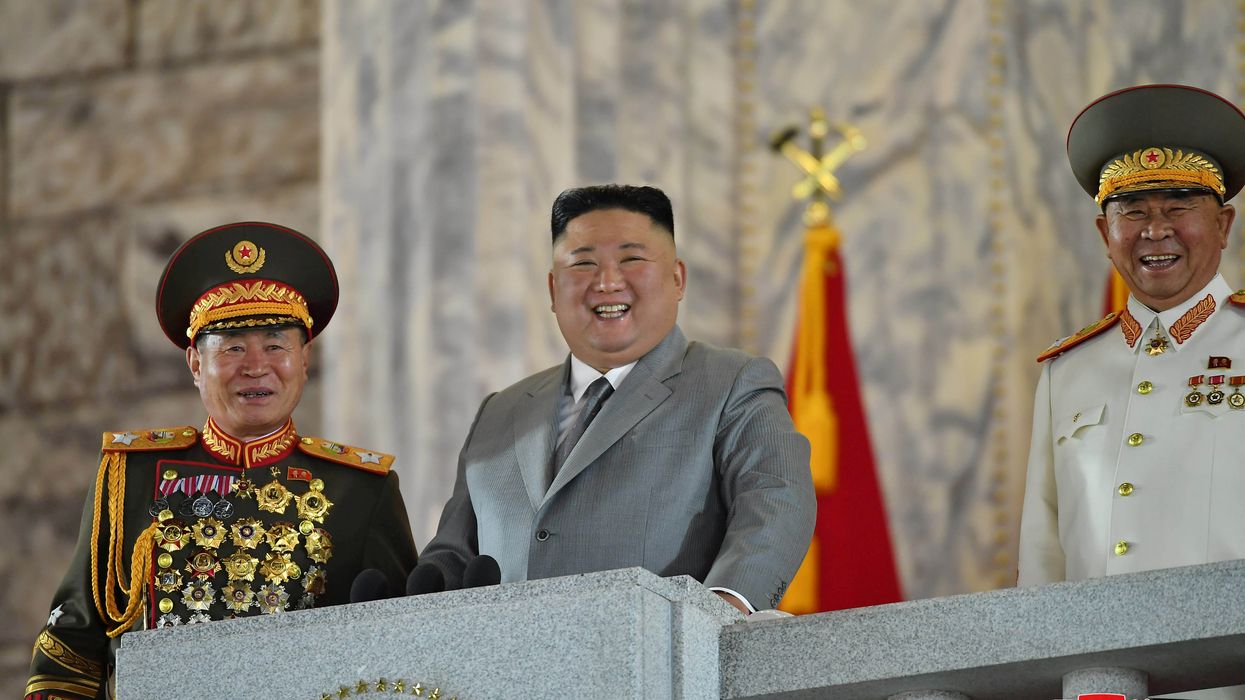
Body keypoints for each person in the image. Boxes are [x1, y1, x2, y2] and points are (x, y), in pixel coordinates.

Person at [26, 222, 418, 700]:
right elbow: (68, 655)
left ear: (305, 358)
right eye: (232, 347)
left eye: (276, 345)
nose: (256, 366)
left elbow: (401, 653)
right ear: (195, 364)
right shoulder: (131, 477)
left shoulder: (362, 490)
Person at [420, 184, 816, 614]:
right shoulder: (500, 411)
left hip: (658, 664)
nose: (607, 282)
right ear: (554, 290)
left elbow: (777, 499)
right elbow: (453, 554)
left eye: (631, 259)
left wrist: (719, 616)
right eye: (584, 263)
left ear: (677, 278)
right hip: (504, 670)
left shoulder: (731, 382)